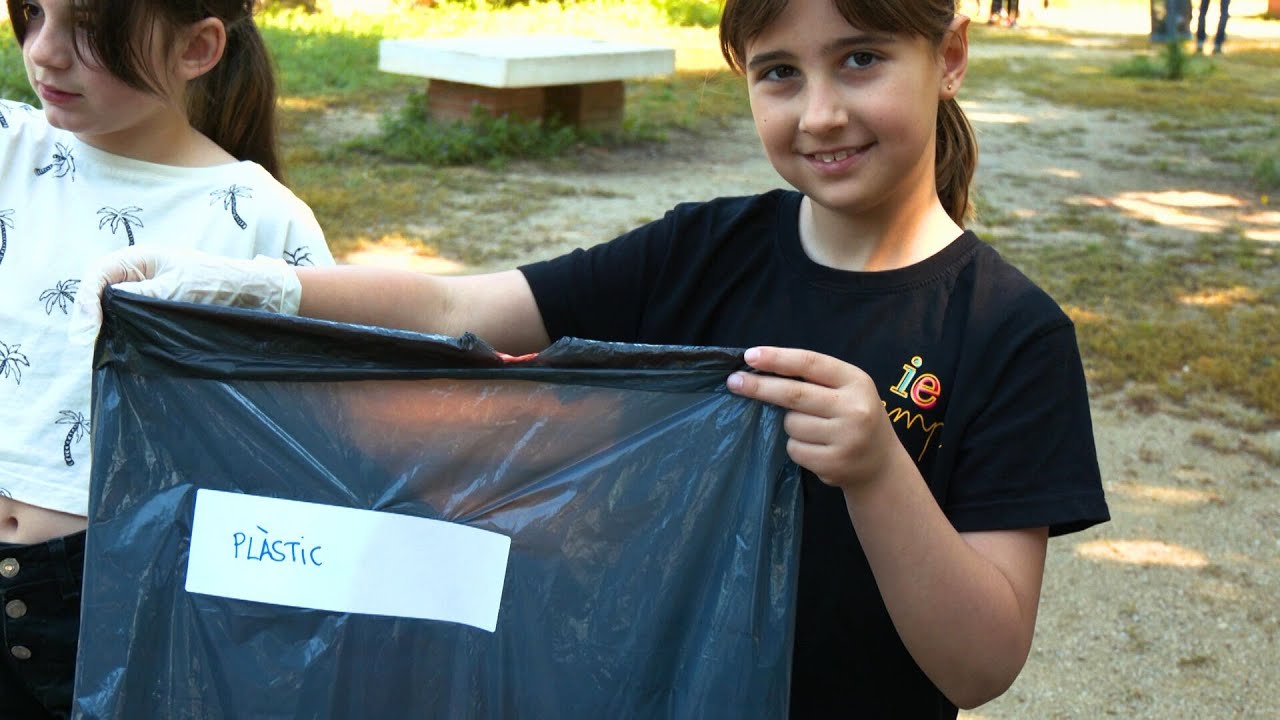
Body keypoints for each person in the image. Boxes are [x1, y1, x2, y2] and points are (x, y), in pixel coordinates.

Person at [75, 0, 1109, 717]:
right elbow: (458, 304)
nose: (820, 112)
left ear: (952, 54)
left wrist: (880, 469)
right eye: (777, 74)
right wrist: (246, 287)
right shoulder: (702, 248)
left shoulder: (1009, 333)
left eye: (861, 58)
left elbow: (978, 664)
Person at [0, 0, 333, 717]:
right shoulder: (7, 146)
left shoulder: (258, 218)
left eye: (87, 28)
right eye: (32, 12)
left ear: (197, 48)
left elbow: (313, 436)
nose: (46, 52)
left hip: (111, 594)